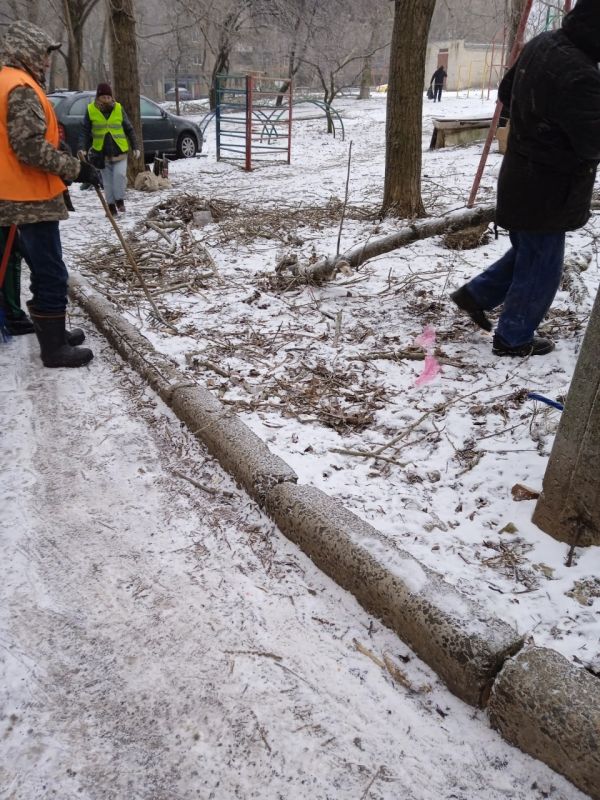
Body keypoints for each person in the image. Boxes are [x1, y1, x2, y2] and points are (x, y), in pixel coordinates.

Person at [451, 0, 600, 357]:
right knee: (542, 267)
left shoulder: (542, 43)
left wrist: (538, 120)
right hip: (549, 189)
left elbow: (506, 93)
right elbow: (593, 143)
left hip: (521, 174)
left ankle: (476, 295)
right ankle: (513, 338)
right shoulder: (581, 74)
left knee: (531, 252)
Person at [0, 20, 102, 367]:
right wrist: (76, 168)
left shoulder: (8, 81)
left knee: (40, 268)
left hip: (16, 195)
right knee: (50, 271)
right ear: (26, 52)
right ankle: (54, 348)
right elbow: (28, 148)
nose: (47, 62)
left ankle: (52, 332)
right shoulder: (21, 87)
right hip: (26, 199)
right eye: (43, 55)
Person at [78, 83, 140, 216]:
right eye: (103, 97)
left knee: (120, 176)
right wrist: (82, 148)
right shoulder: (91, 110)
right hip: (101, 154)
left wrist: (135, 146)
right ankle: (111, 206)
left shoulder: (118, 108)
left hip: (120, 151)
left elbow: (129, 128)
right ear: (98, 97)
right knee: (107, 182)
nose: (106, 99)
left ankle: (119, 199)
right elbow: (85, 131)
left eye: (108, 97)